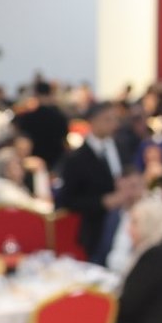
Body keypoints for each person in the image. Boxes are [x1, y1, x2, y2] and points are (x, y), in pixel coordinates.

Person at [56, 102, 123, 260]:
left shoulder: (121, 146)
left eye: (115, 119)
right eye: (108, 119)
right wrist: (102, 202)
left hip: (122, 225)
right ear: (93, 121)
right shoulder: (76, 159)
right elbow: (67, 200)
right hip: (94, 230)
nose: (114, 124)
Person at [12, 80, 71, 169]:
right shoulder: (59, 117)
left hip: (33, 160)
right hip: (55, 160)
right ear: (50, 94)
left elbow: (22, 136)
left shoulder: (28, 117)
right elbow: (64, 138)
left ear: (36, 95)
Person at [0, 147, 52, 213]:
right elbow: (46, 210)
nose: (22, 169)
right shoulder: (4, 190)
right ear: (6, 170)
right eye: (17, 165)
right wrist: (40, 171)